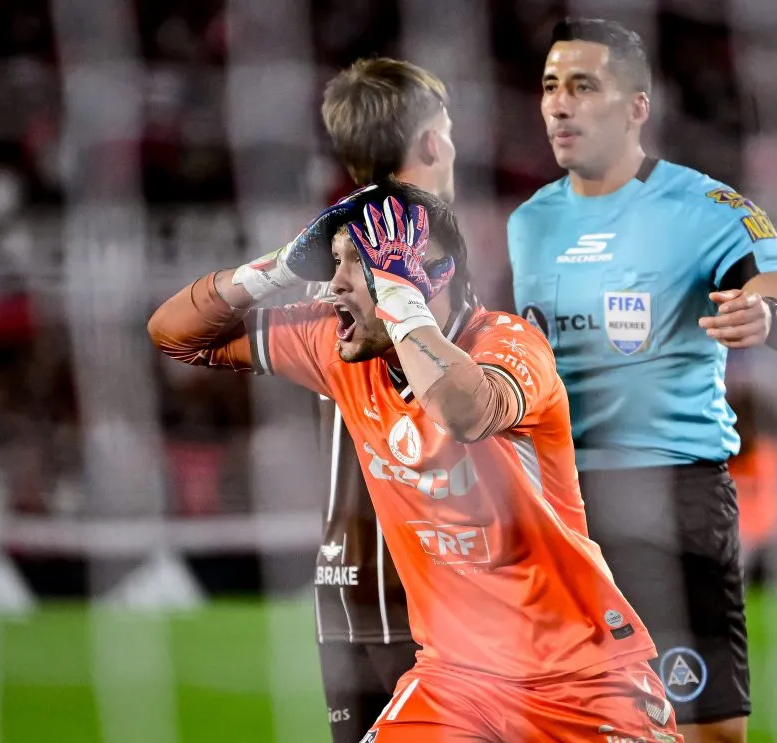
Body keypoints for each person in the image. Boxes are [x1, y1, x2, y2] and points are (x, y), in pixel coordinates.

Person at [148, 180, 682, 742]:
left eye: (360, 263)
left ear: (432, 273)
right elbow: (176, 335)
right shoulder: (338, 347)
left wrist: (401, 297)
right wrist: (280, 267)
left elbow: (465, 413)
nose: (334, 285)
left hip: (579, 676)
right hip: (454, 682)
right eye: (334, 261)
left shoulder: (509, 344)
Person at [506, 17, 777, 743]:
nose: (559, 104)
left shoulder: (708, 210)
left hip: (672, 495)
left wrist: (768, 322)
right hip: (558, 503)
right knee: (561, 722)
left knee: (706, 729)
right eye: (550, 87)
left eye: (582, 87)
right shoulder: (528, 222)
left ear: (636, 106)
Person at [305, 57, 458, 743]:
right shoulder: (421, 252)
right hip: (423, 583)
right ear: (430, 142)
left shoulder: (327, 252)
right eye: (447, 129)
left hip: (340, 581)